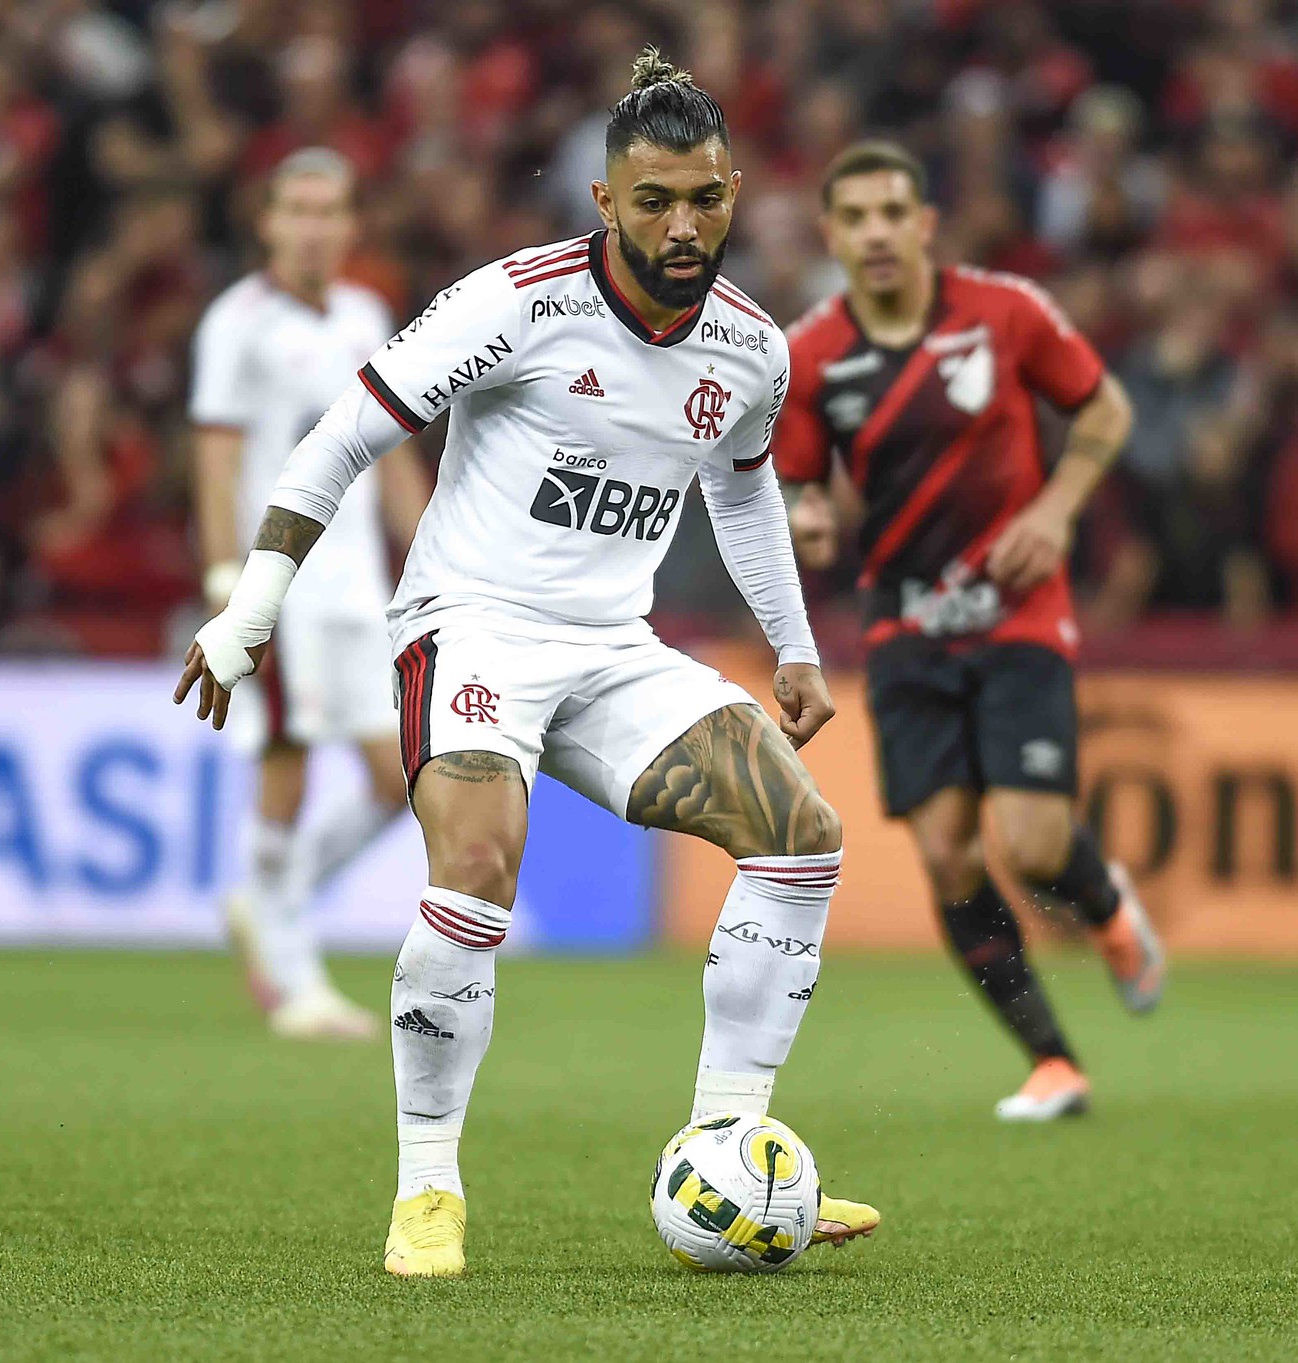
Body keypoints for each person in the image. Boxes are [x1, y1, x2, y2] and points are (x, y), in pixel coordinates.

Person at [175, 51, 876, 1277]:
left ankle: (731, 1141)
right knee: (480, 863)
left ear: (734, 192)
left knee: (802, 831)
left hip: (614, 648)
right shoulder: (513, 301)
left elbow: (747, 492)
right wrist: (251, 605)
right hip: (471, 626)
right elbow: (340, 438)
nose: (680, 224)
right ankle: (428, 1185)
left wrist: (795, 647)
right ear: (604, 202)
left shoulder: (750, 350)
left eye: (703, 199)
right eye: (652, 201)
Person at [777, 141, 1165, 1124]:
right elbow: (792, 481)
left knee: (1032, 843)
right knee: (948, 854)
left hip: (1013, 609)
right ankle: (1051, 1063)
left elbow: (1103, 408)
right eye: (852, 217)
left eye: (889, 213)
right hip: (904, 625)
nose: (872, 232)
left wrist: (1056, 511)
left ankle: (1111, 914)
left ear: (923, 225)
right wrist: (807, 514)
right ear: (830, 234)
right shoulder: (811, 354)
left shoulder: (1004, 312)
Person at [189, 148, 432, 1041]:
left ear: (353, 224)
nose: (314, 225)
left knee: (393, 778)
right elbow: (215, 463)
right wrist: (229, 584)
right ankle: (294, 984)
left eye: (330, 209)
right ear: (267, 220)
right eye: (297, 208)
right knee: (286, 765)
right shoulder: (237, 324)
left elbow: (393, 453)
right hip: (280, 584)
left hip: (360, 588)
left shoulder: (366, 313)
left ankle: (264, 901)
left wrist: (436, 554)